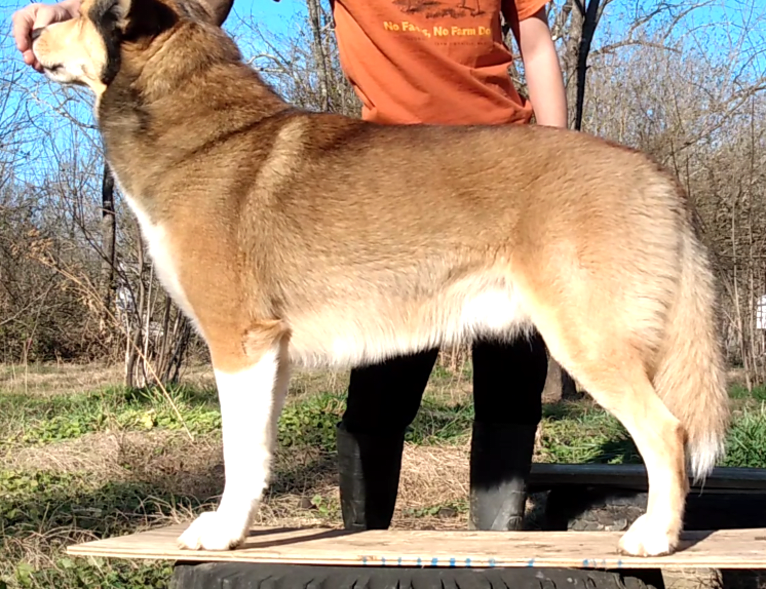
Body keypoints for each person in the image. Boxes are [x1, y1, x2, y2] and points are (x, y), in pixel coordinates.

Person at [13, 0, 567, 533]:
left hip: (504, 168)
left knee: (512, 390)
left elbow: (536, 46)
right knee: (380, 396)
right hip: (389, 173)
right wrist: (78, 11)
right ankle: (362, 549)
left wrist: (556, 165)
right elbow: (191, 8)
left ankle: (501, 553)